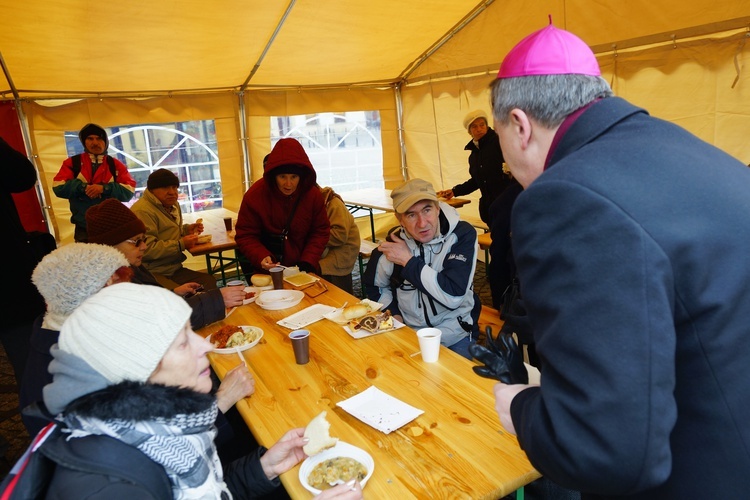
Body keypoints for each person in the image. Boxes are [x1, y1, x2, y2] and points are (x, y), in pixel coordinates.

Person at [488, 21, 750, 499]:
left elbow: (605, 448)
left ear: (520, 125)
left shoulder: (564, 196)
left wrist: (522, 406)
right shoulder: (697, 152)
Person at [41, 283, 363, 499]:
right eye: (183, 341)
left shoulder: (163, 431)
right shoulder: (114, 485)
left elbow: (213, 490)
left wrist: (264, 467)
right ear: (139, 371)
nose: (206, 345)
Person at [19, 243, 132, 437]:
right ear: (85, 294)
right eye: (118, 289)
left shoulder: (64, 334)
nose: (130, 297)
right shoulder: (65, 365)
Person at [363, 178, 480, 359]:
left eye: (427, 210)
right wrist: (393, 313)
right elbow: (374, 286)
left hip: (455, 334)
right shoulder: (393, 244)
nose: (422, 223)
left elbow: (453, 296)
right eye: (411, 215)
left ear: (438, 208)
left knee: (455, 386)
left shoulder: (462, 235)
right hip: (410, 334)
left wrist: (408, 262)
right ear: (399, 219)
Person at [86, 198, 245, 329]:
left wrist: (173, 292)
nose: (144, 246)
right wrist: (217, 300)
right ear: (109, 246)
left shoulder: (128, 267)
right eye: (136, 242)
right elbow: (162, 320)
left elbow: (152, 300)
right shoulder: (112, 284)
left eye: (144, 239)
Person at [1, 136, 55, 388]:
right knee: (32, 363)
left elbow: (21, 176)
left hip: (10, 281)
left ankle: (42, 420)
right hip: (9, 281)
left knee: (31, 362)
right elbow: (22, 175)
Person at [235, 138, 330, 276]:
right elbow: (245, 235)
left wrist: (308, 261)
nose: (288, 184)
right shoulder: (255, 195)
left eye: (294, 177)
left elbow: (320, 231)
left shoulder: (312, 195)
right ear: (273, 175)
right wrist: (261, 256)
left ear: (302, 176)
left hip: (303, 267)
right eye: (282, 177)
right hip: (268, 269)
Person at [131, 168, 218, 290]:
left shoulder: (171, 204)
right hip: (152, 271)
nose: (172, 192)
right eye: (165, 188)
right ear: (152, 190)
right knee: (190, 293)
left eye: (174, 187)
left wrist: (186, 230)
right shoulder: (143, 211)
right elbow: (146, 249)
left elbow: (166, 231)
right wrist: (180, 244)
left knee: (208, 282)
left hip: (172, 268)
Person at [52, 123, 136, 242]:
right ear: (84, 142)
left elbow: (128, 191)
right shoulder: (72, 163)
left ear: (105, 142)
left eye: (99, 138)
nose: (95, 143)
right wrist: (83, 187)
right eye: (90, 138)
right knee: (85, 260)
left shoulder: (115, 165)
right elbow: (58, 187)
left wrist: (104, 188)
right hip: (83, 228)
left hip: (111, 227)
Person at [436, 109, 515, 225]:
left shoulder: (501, 142)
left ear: (487, 126)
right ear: (469, 132)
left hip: (509, 205)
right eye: (474, 127)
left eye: (482, 125)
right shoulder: (474, 155)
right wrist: (454, 191)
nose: (479, 129)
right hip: (490, 209)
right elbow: (477, 181)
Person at [319, 184, 360, 294]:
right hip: (326, 250)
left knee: (319, 269)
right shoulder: (310, 204)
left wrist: (313, 236)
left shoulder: (333, 203)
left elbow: (340, 236)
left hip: (343, 253)